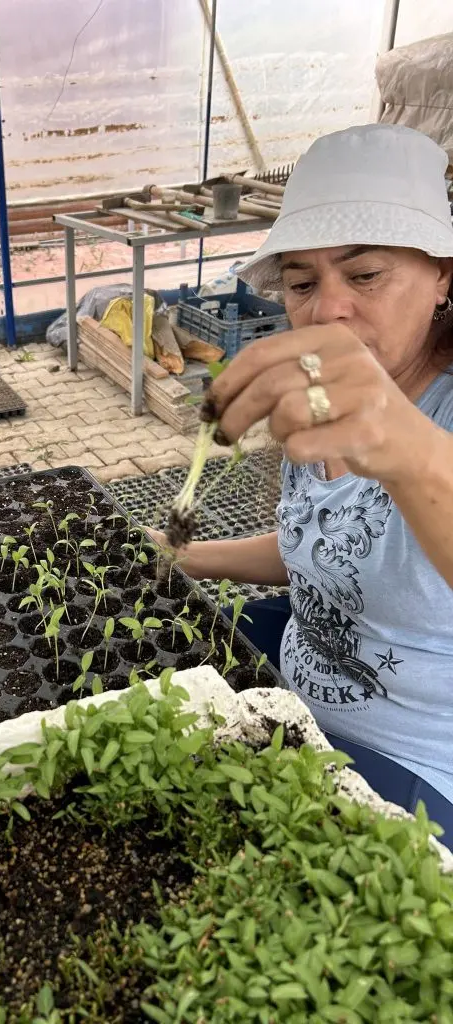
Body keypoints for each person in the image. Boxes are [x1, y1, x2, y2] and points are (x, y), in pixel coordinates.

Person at [154, 124, 453, 843]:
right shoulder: (319, 401)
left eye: (365, 274)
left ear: (444, 274)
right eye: (300, 281)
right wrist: (177, 554)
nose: (328, 311)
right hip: (293, 675)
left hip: (409, 759)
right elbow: (316, 550)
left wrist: (397, 436)